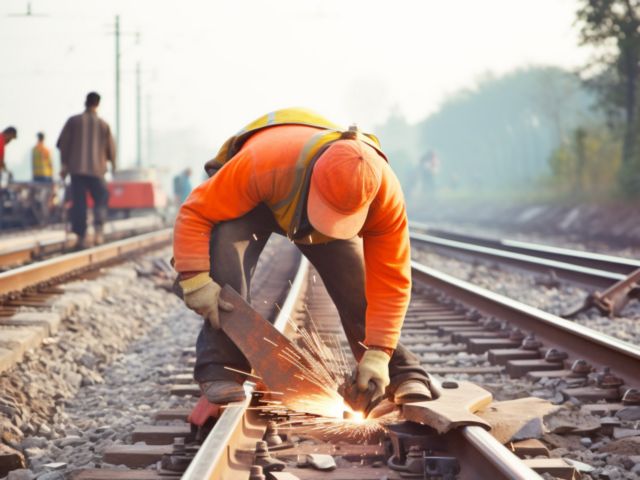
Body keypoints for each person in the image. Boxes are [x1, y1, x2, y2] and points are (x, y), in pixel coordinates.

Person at [173, 108, 431, 406]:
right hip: (259, 196)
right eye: (329, 213)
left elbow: (391, 279)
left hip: (299, 187)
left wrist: (379, 352)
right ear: (312, 181)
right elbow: (195, 212)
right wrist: (194, 278)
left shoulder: (384, 195)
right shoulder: (261, 165)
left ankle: (400, 372)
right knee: (225, 254)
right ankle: (221, 370)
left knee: (357, 287)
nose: (332, 226)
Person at [56, 92, 116, 249]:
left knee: (79, 203)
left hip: (77, 170)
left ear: (85, 102)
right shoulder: (103, 124)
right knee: (101, 198)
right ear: (98, 104)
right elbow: (111, 150)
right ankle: (98, 230)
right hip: (97, 171)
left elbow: (63, 144)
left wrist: (64, 165)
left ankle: (81, 235)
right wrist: (113, 166)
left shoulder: (73, 121)